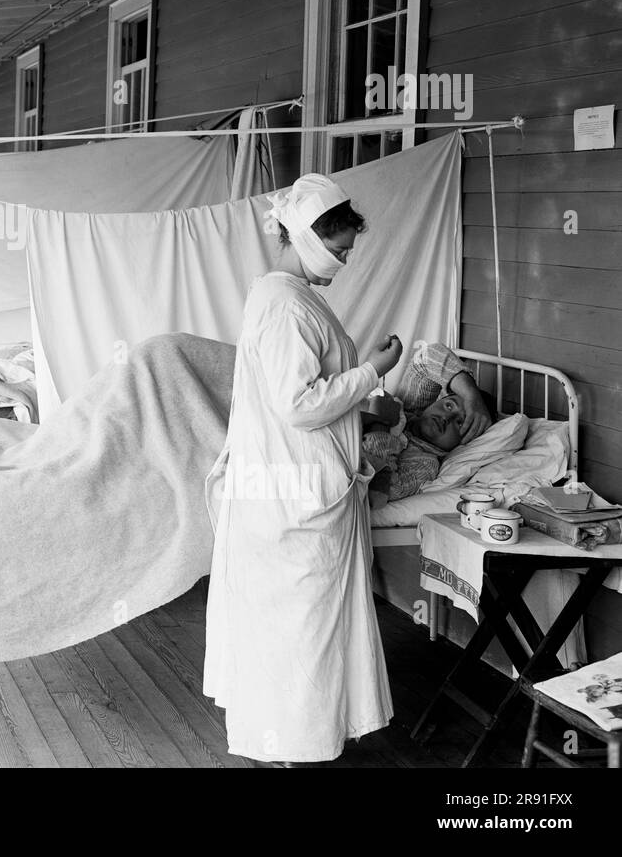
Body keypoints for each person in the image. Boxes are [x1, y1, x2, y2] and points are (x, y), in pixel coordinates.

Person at [203, 173, 402, 765]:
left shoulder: (286, 296)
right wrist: (374, 370)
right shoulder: (286, 303)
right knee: (300, 627)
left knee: (295, 624)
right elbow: (299, 404)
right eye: (338, 251)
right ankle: (292, 743)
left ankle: (297, 739)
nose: (343, 264)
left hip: (287, 483)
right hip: (292, 491)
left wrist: (364, 408)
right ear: (309, 240)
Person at [362, 344, 494, 507]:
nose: (446, 417)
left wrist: (379, 423)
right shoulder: (410, 407)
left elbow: (380, 492)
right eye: (449, 405)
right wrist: (471, 396)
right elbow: (427, 356)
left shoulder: (425, 464)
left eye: (460, 422)